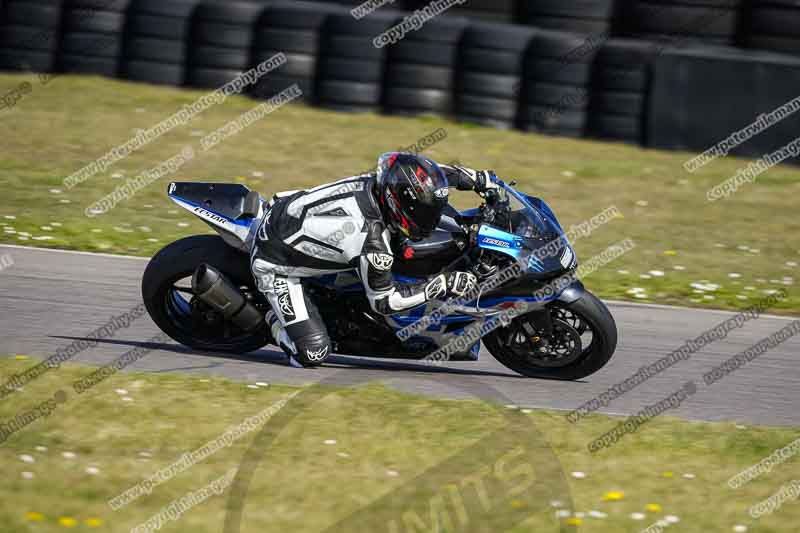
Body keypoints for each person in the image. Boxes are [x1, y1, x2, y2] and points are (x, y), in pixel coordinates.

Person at [250, 152, 498, 367]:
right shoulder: (373, 243)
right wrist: (443, 284)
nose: (431, 220)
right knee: (313, 353)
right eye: (425, 214)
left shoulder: (383, 181)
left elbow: (426, 178)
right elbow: (385, 302)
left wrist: (475, 178)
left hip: (286, 209)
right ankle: (270, 321)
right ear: (398, 204)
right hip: (274, 262)